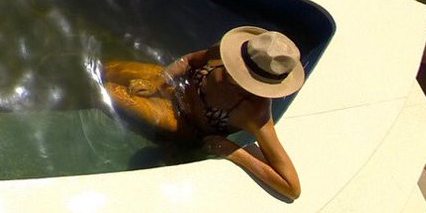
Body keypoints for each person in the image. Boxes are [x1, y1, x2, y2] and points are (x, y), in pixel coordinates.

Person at [102, 25, 304, 200]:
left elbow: (291, 187)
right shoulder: (223, 54)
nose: (232, 71)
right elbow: (190, 60)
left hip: (184, 122)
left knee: (112, 92)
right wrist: (159, 80)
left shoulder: (253, 113)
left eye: (243, 76)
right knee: (107, 69)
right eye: (238, 68)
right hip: (174, 87)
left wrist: (235, 152)